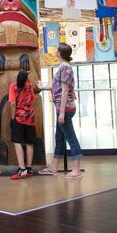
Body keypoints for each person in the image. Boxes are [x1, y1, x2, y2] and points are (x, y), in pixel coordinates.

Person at [37, 43, 83, 178]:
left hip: (65, 108)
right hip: (62, 108)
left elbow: (65, 91)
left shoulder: (65, 68)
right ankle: (53, 167)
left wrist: (62, 113)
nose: (55, 52)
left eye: (57, 51)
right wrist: (43, 87)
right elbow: (57, 87)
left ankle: (76, 169)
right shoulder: (63, 67)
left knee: (71, 138)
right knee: (59, 137)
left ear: (60, 53)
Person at [9, 69, 40, 180]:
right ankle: (29, 168)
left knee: (17, 141)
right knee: (29, 142)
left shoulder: (13, 86)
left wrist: (13, 118)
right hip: (30, 117)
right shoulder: (29, 86)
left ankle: (22, 169)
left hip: (18, 117)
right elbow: (32, 99)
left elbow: (13, 104)